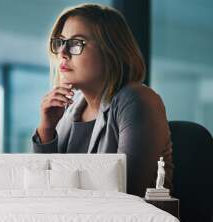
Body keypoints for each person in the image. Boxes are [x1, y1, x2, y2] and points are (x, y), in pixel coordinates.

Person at [32, 4, 173, 197]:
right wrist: (46, 130)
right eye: (61, 42)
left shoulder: (136, 100)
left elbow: (125, 192)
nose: (62, 53)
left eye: (76, 43)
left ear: (110, 51)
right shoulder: (70, 110)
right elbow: (44, 191)